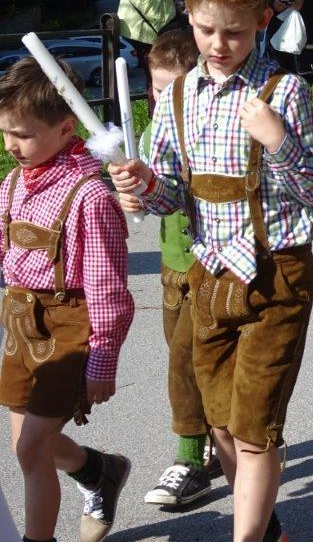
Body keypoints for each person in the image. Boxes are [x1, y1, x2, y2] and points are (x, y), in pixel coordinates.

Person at [110, 0, 313, 542]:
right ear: (189, 16)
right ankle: (264, 527)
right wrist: (141, 185)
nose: (218, 44)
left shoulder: (284, 93)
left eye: (234, 32)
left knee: (255, 430)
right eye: (206, 30)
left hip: (276, 276)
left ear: (261, 21)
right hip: (209, 279)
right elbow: (168, 198)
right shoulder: (178, 98)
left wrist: (278, 140)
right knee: (222, 425)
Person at [0, 57, 134, 542]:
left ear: (65, 128)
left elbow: (108, 290)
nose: (10, 145)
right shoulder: (13, 183)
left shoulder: (90, 198)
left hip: (67, 329)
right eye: (4, 132)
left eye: (23, 134)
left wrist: (103, 361)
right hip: (21, 324)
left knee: (31, 449)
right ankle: (98, 470)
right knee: (26, 446)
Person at [128, 29, 223, 508]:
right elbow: (151, 195)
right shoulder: (152, 133)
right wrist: (132, 194)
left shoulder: (213, 129)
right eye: (156, 89)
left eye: (173, 90)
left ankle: (189, 459)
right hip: (172, 265)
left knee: (185, 359)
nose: (161, 100)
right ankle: (216, 441)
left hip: (212, 265)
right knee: (185, 355)